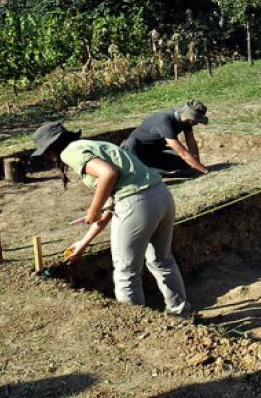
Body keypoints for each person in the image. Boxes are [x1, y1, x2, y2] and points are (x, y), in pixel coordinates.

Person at [31, 122, 190, 315]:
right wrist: (83, 243)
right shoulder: (95, 146)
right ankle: (182, 312)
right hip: (161, 196)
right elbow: (110, 206)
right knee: (162, 261)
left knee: (126, 275)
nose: (49, 158)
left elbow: (108, 174)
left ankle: (136, 326)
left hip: (137, 204)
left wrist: (92, 209)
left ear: (51, 149)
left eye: (47, 153)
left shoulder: (70, 151)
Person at [122, 100, 209, 176]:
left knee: (186, 164)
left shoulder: (187, 122)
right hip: (135, 151)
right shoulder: (165, 121)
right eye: (196, 120)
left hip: (154, 152)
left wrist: (197, 165)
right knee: (132, 143)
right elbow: (181, 152)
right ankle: (144, 172)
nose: (197, 123)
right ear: (189, 117)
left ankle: (154, 171)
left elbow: (191, 142)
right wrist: (203, 170)